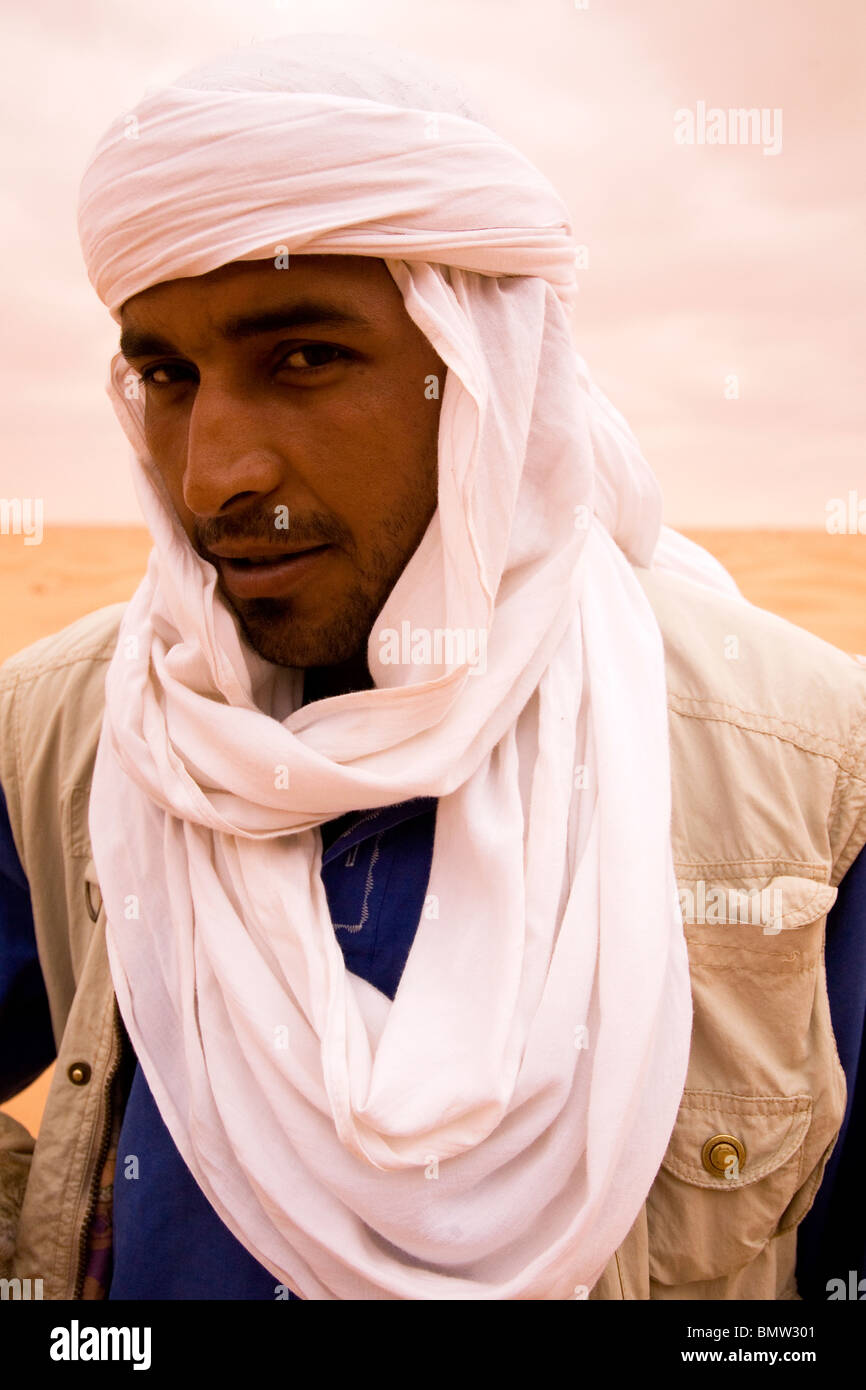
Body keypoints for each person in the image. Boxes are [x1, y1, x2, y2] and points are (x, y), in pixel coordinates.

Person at [0, 33, 864, 1301]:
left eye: (303, 356)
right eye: (168, 376)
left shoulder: (800, 769)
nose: (212, 474)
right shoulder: (60, 735)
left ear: (483, 369)